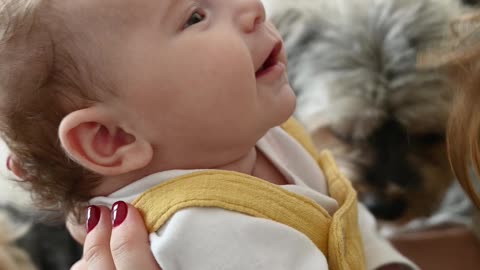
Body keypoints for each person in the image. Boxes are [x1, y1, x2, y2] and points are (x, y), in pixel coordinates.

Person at [0, 0, 416, 269]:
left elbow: (344, 216)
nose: (253, 8)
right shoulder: (207, 232)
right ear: (112, 139)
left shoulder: (251, 131)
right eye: (195, 16)